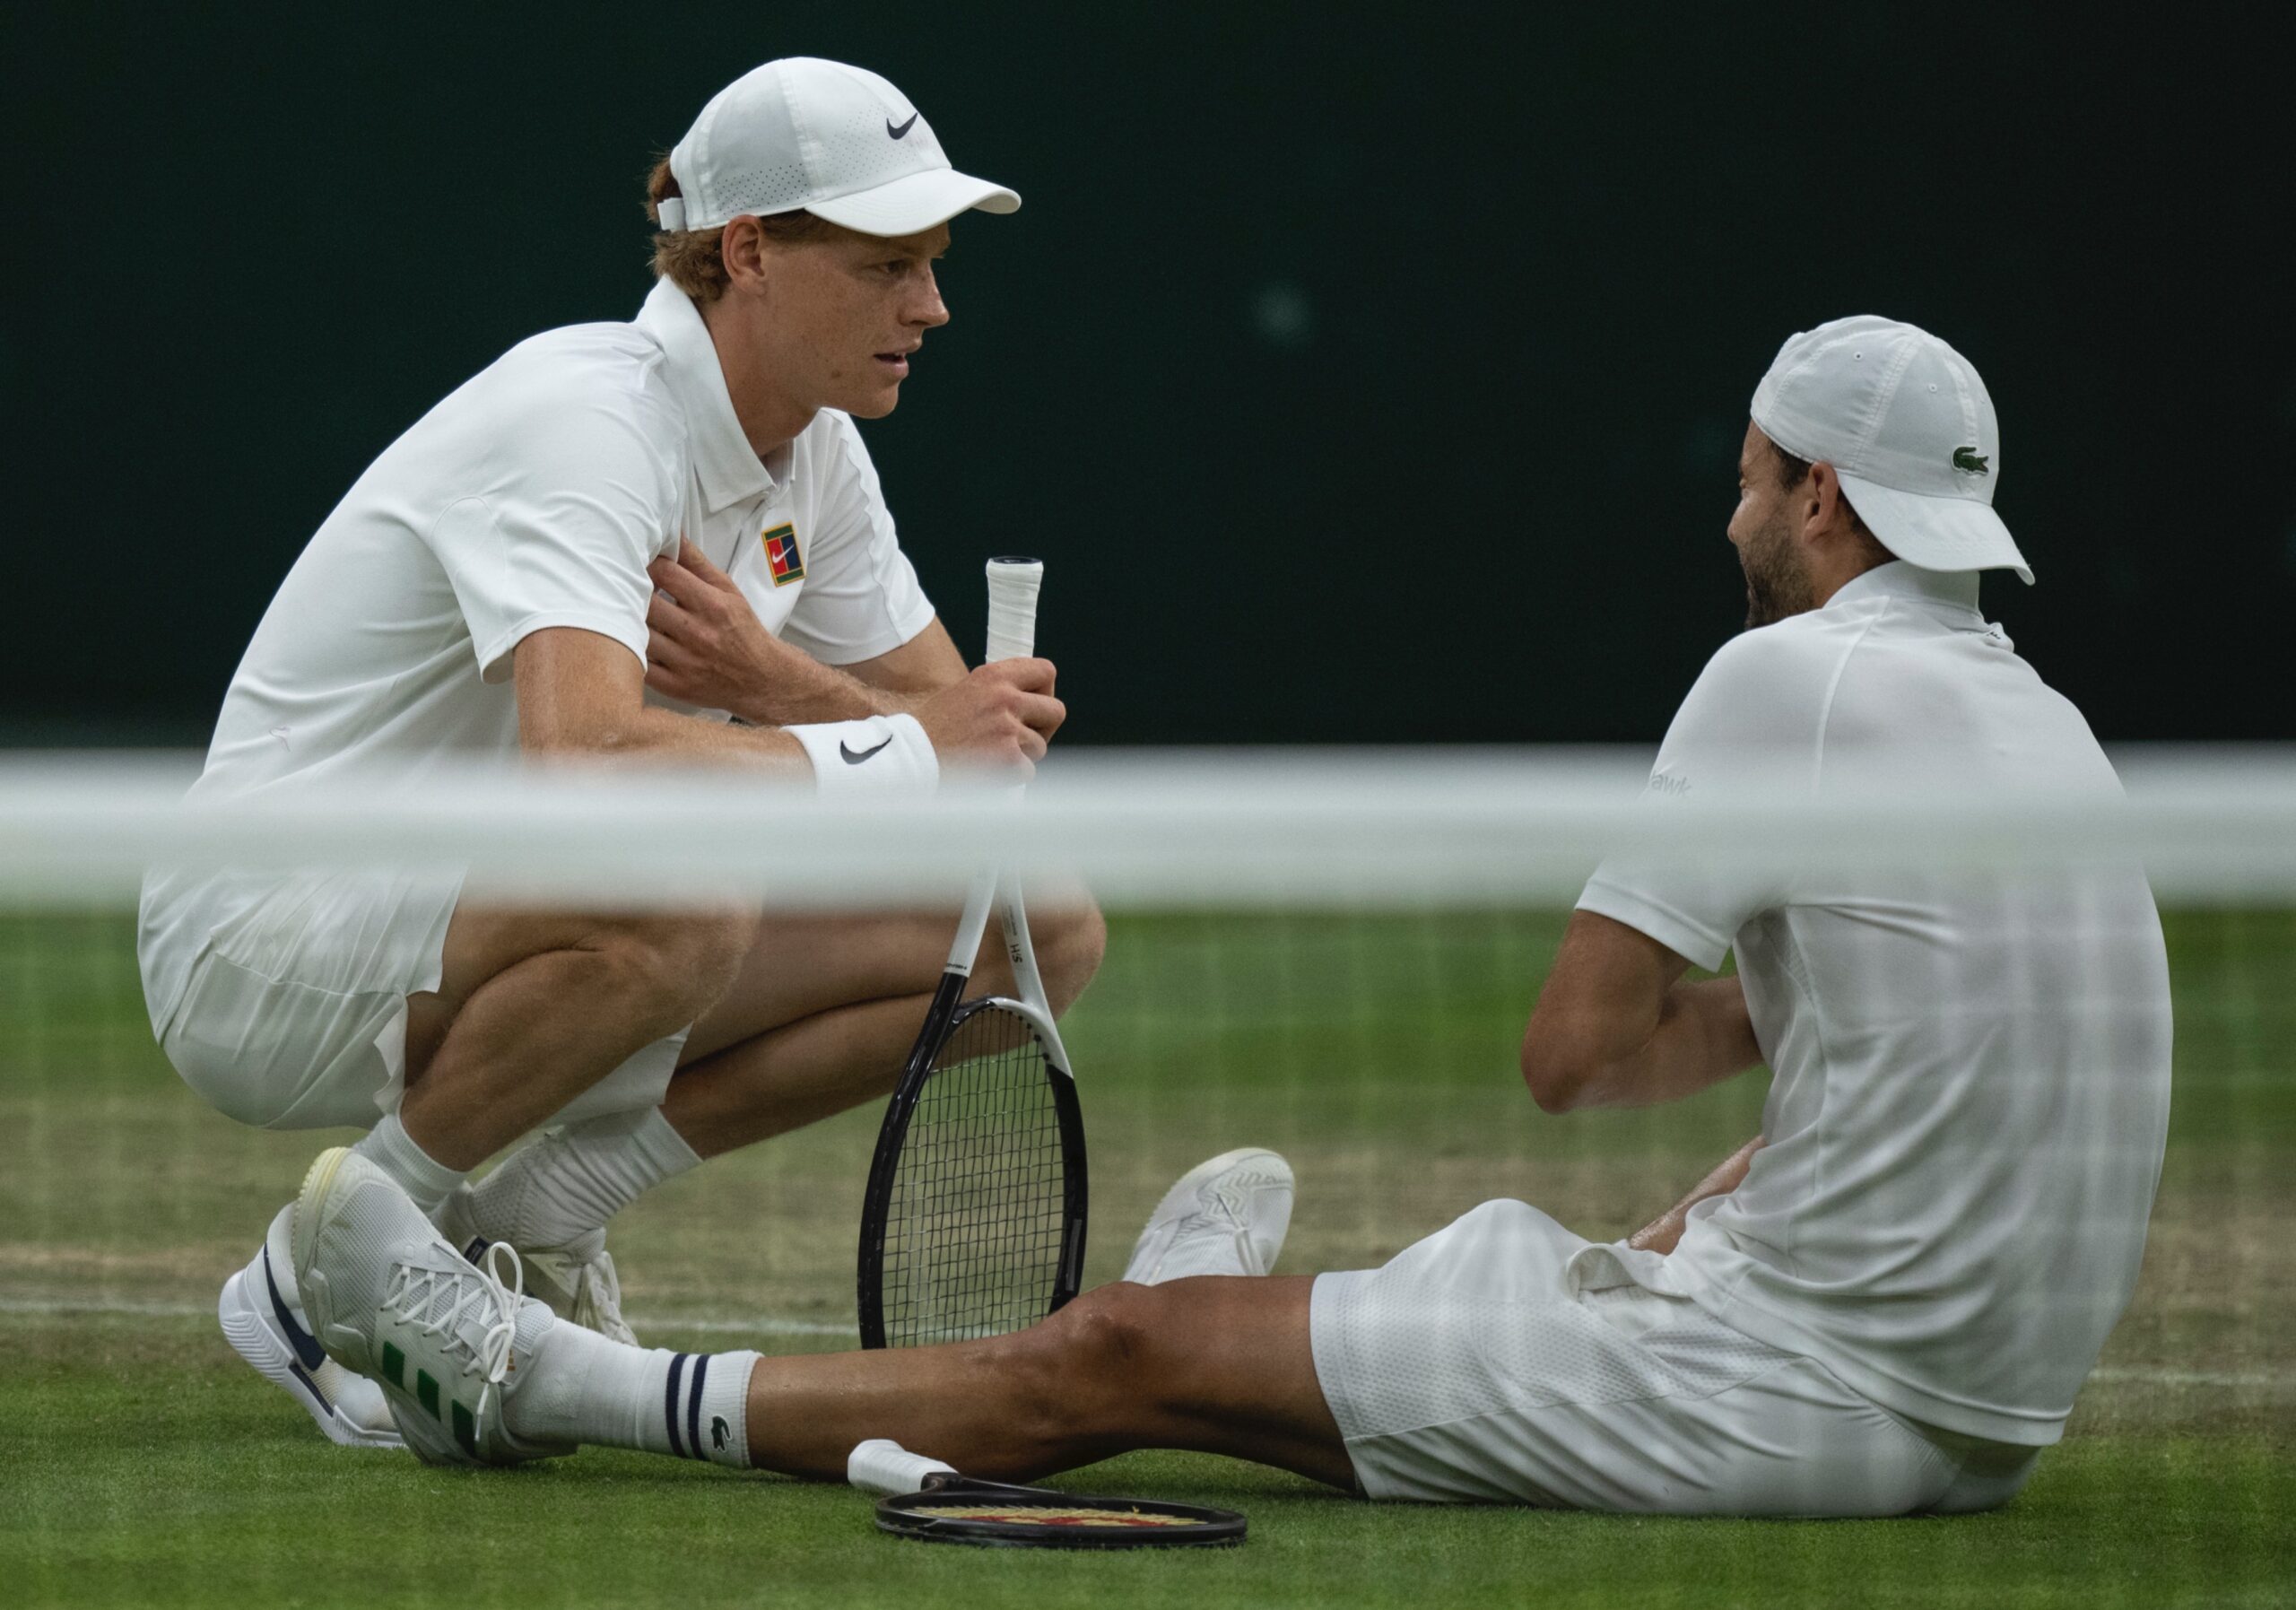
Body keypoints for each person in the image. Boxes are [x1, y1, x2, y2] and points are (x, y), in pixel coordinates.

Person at [281, 317, 2172, 1516]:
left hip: (1776, 1394)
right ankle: (1208, 1303)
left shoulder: (1789, 683)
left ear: (1820, 500)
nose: (1737, 513)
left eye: (1755, 483)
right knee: (1460, 1261)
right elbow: (1932, 1053)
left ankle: (545, 1381)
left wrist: (1750, 1028)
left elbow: (1575, 1057)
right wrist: (1784, 1088)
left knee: (1096, 1365)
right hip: (1971, 1409)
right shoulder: (2051, 733)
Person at [140, 57, 1103, 1450]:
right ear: (750, 252)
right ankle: (321, 1276)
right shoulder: (588, 419)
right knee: (682, 889)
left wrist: (779, 683)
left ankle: (534, 1210)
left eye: (935, 265)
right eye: (892, 263)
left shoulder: (816, 459)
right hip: (263, 937)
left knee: (1041, 929)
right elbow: (583, 767)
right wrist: (893, 744)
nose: (932, 306)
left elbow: (974, 775)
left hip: (480, 917)